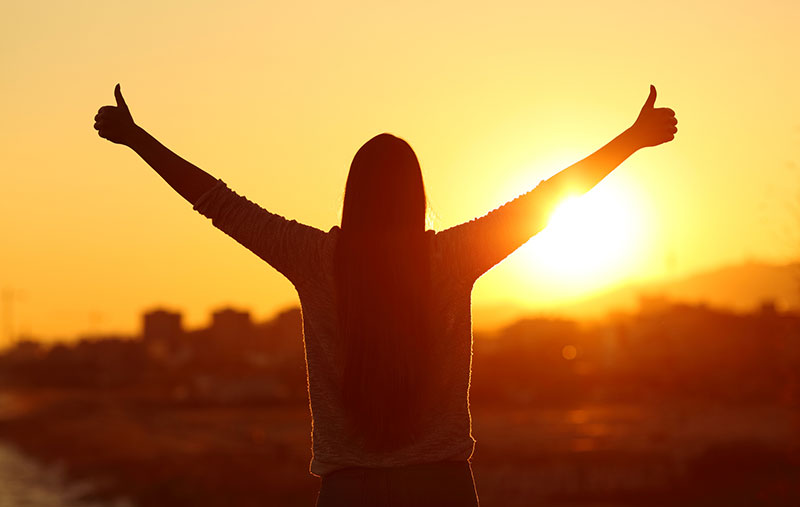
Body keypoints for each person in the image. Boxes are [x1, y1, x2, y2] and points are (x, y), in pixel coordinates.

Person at [93, 84, 677, 506]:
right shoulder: (449, 259)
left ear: (353, 196)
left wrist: (136, 138)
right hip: (442, 489)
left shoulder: (316, 260)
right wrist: (631, 140)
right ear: (416, 197)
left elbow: (217, 201)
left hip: (349, 491)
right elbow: (547, 201)